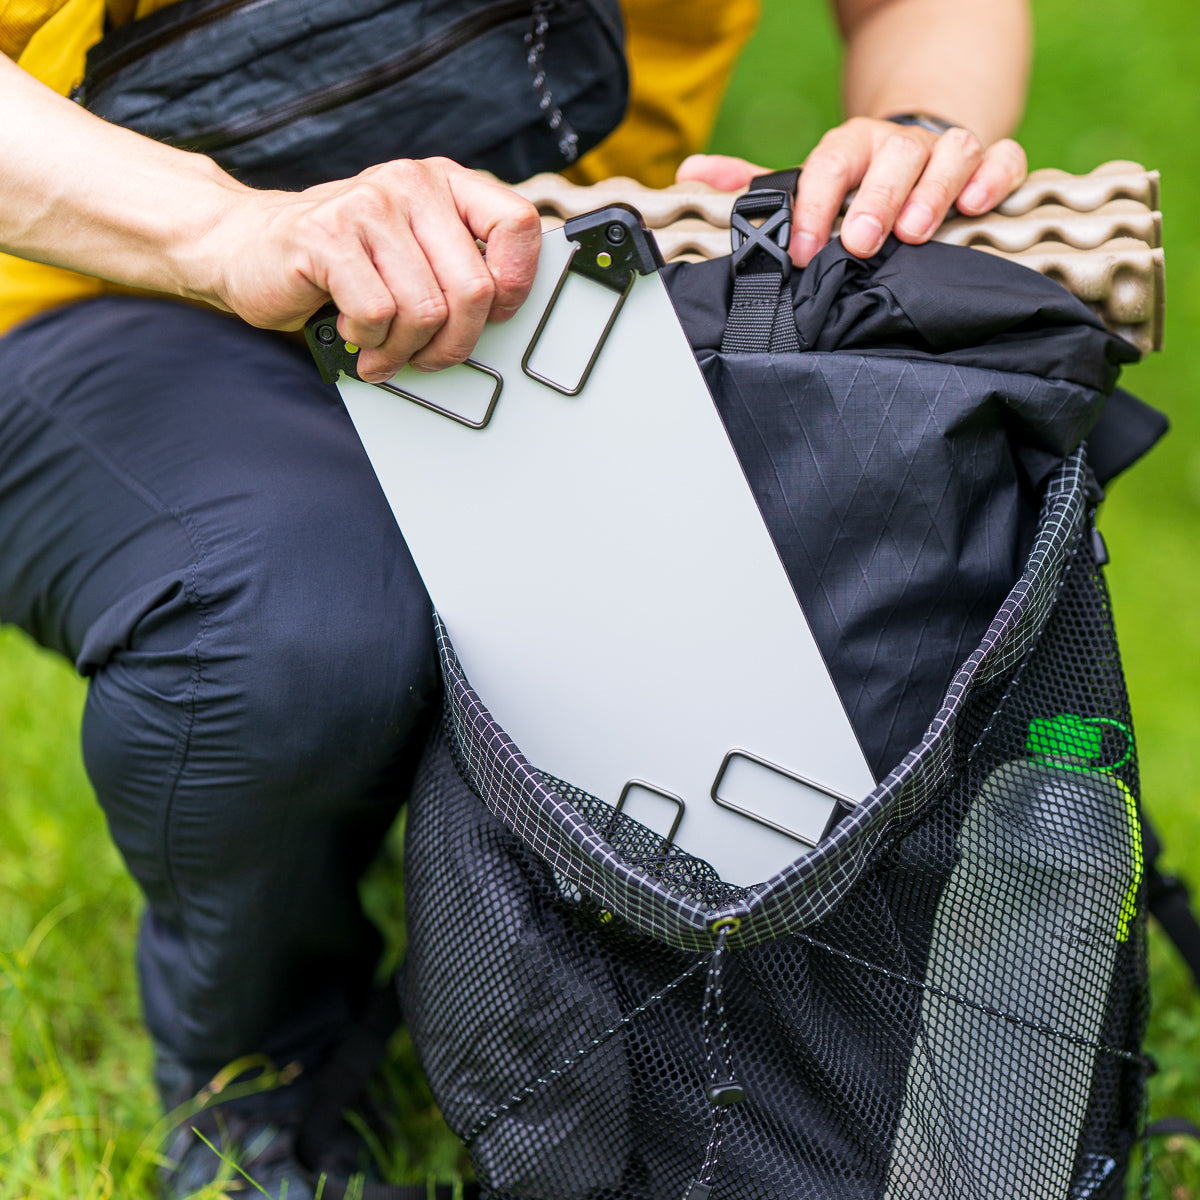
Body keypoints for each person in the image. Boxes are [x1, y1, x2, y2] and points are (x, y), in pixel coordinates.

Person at [0, 0, 1031, 1194]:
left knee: (848, 559)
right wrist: (230, 230)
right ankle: (265, 1066)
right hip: (95, 283)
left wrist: (911, 130)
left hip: (558, 286)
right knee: (296, 617)